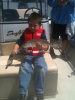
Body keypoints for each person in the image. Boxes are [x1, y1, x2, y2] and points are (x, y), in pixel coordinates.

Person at [12, 13, 48, 100]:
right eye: (30, 25)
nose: (32, 27)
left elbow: (47, 47)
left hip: (39, 56)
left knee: (41, 68)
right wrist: (15, 49)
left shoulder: (42, 34)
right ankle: (23, 93)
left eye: (34, 25)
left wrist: (41, 47)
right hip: (28, 55)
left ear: (40, 25)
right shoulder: (25, 32)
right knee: (24, 69)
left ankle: (39, 93)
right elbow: (19, 42)